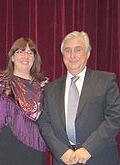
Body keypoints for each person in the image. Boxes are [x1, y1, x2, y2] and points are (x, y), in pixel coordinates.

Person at [38, 31, 120, 165]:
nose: (72, 55)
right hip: (64, 160)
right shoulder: (50, 89)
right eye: (67, 50)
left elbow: (114, 118)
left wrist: (88, 149)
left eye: (78, 50)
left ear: (87, 54)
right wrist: (61, 151)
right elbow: (44, 124)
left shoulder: (106, 81)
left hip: (100, 158)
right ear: (62, 55)